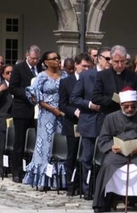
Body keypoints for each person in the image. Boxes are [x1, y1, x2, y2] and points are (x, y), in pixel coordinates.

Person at [92, 88, 137, 213]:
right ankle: (103, 203)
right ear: (121, 105)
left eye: (133, 106)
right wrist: (112, 146)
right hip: (118, 152)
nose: (130, 109)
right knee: (108, 165)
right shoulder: (110, 118)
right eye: (126, 107)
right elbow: (103, 138)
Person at [23, 51, 67, 189]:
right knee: (45, 145)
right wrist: (52, 109)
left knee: (60, 144)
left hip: (62, 115)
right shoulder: (41, 77)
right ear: (46, 62)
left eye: (58, 58)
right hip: (47, 115)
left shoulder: (65, 75)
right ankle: (43, 179)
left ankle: (58, 180)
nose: (57, 61)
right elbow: (35, 97)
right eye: (53, 59)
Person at [71, 47, 110, 197]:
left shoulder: (113, 76)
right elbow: (74, 98)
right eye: (107, 58)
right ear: (98, 58)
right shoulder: (87, 75)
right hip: (90, 121)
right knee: (87, 158)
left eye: (111, 59)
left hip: (107, 121)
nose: (109, 62)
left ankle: (104, 190)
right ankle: (87, 190)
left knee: (106, 158)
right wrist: (89, 105)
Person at [59, 54, 92, 195]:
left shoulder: (92, 79)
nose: (86, 69)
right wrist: (74, 112)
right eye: (84, 66)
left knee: (86, 155)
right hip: (72, 122)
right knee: (72, 154)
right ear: (76, 65)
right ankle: (71, 185)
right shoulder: (66, 82)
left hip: (88, 122)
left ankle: (85, 185)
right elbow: (62, 104)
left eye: (89, 67)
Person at [9, 46, 41, 183]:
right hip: (22, 109)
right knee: (20, 141)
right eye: (33, 58)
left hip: (37, 111)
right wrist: (28, 95)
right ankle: (17, 171)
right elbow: (13, 88)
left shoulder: (40, 68)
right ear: (27, 56)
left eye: (37, 58)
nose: (35, 61)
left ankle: (33, 169)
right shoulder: (19, 68)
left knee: (36, 141)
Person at [92, 45, 137, 117]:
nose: (119, 65)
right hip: (108, 115)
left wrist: (129, 102)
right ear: (111, 60)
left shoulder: (133, 76)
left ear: (126, 60)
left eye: (122, 61)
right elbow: (95, 98)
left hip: (129, 117)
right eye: (116, 61)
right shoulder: (102, 76)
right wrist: (113, 100)